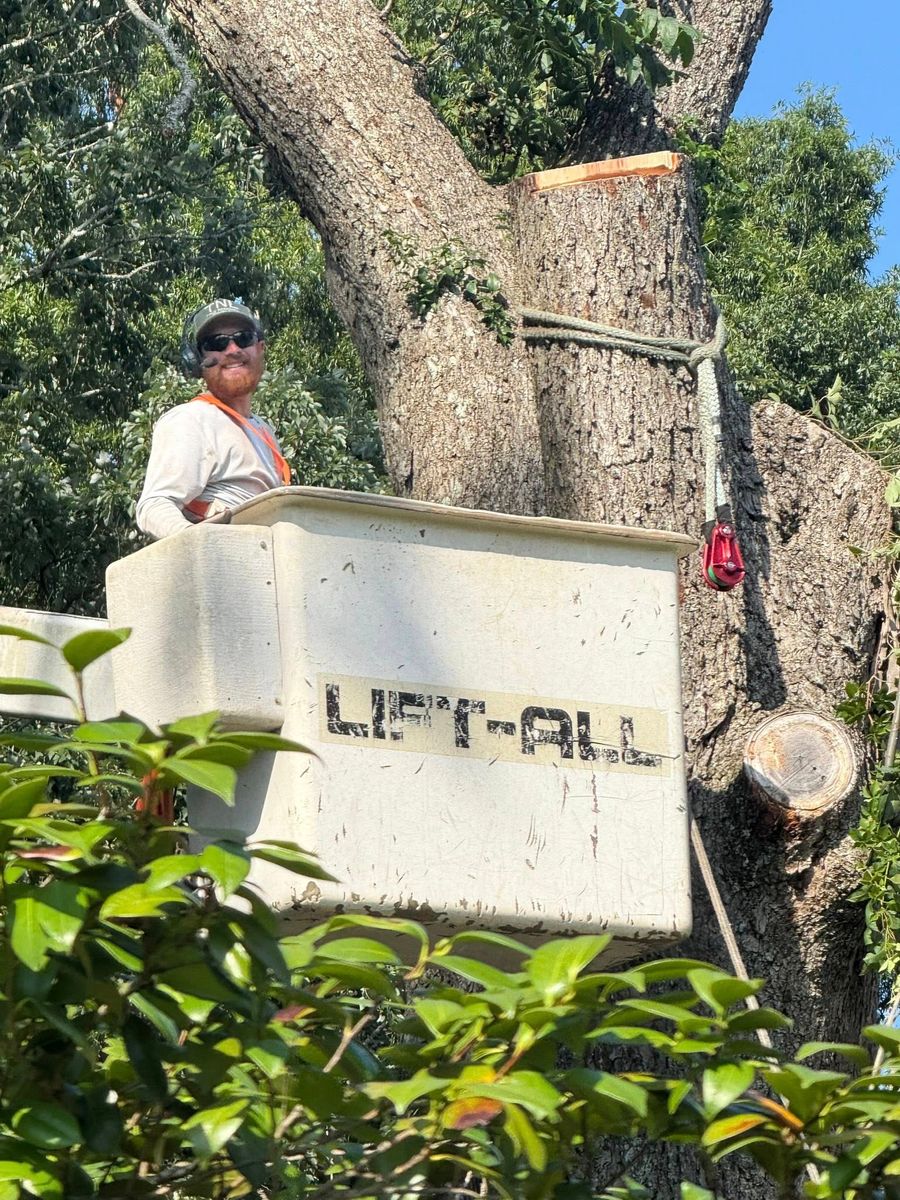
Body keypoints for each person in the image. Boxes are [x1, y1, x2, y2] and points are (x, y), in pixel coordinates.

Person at [136, 299, 291, 540]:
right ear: (198, 359)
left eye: (243, 338)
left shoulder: (264, 430)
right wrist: (202, 546)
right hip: (229, 566)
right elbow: (154, 506)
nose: (232, 350)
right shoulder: (192, 420)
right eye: (216, 343)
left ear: (260, 348)